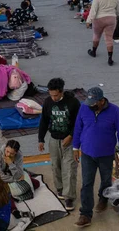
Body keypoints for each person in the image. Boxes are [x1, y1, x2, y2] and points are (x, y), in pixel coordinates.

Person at [73, 87, 119, 228]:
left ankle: (103, 198)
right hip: (87, 154)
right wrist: (75, 147)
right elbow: (78, 127)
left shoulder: (115, 111)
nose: (90, 106)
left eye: (93, 103)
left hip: (106, 155)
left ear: (102, 101)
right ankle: (85, 214)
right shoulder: (84, 108)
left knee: (105, 180)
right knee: (86, 183)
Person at [38, 77, 80, 211]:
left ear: (61, 92)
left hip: (69, 141)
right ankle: (60, 189)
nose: (53, 98)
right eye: (51, 95)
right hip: (54, 139)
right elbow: (44, 121)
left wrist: (71, 136)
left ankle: (69, 197)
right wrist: (41, 139)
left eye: (56, 95)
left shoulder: (73, 103)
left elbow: (79, 123)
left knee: (69, 168)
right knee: (55, 166)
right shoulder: (48, 102)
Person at [86, 0, 119, 66]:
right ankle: (110, 58)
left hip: (99, 19)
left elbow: (93, 10)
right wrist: (114, 15)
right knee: (109, 38)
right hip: (111, 19)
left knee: (96, 35)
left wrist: (88, 20)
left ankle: (93, 52)